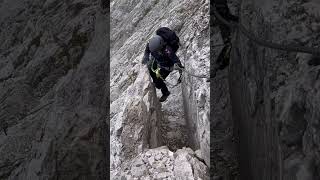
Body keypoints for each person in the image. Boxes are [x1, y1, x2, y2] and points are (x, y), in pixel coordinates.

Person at [142, 27, 184, 102]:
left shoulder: (167, 50)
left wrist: (181, 73)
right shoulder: (153, 44)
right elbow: (148, 47)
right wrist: (146, 56)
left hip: (166, 66)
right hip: (158, 61)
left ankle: (165, 93)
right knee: (150, 67)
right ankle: (157, 79)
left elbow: (176, 61)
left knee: (158, 83)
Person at [212, 0, 239, 77]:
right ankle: (217, 66)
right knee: (228, 43)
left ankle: (217, 66)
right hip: (221, 14)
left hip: (222, 14)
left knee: (228, 43)